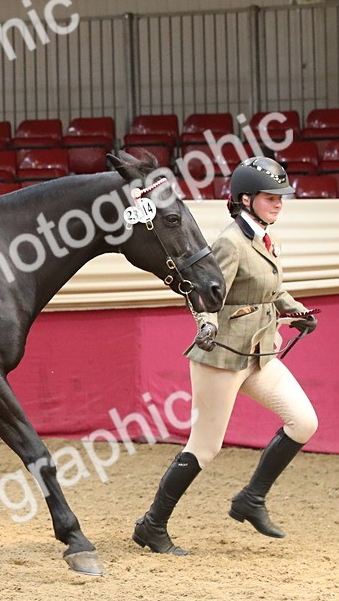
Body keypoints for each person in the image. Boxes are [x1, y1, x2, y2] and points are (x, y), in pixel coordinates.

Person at [133, 156, 319, 555]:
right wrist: (206, 322)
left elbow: (271, 290)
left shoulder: (267, 238)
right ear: (245, 200)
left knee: (304, 422)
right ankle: (152, 525)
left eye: (281, 197)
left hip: (260, 353)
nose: (279, 203)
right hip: (222, 356)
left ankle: (251, 499)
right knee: (205, 446)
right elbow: (205, 293)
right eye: (271, 197)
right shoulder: (230, 243)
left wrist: (297, 310)